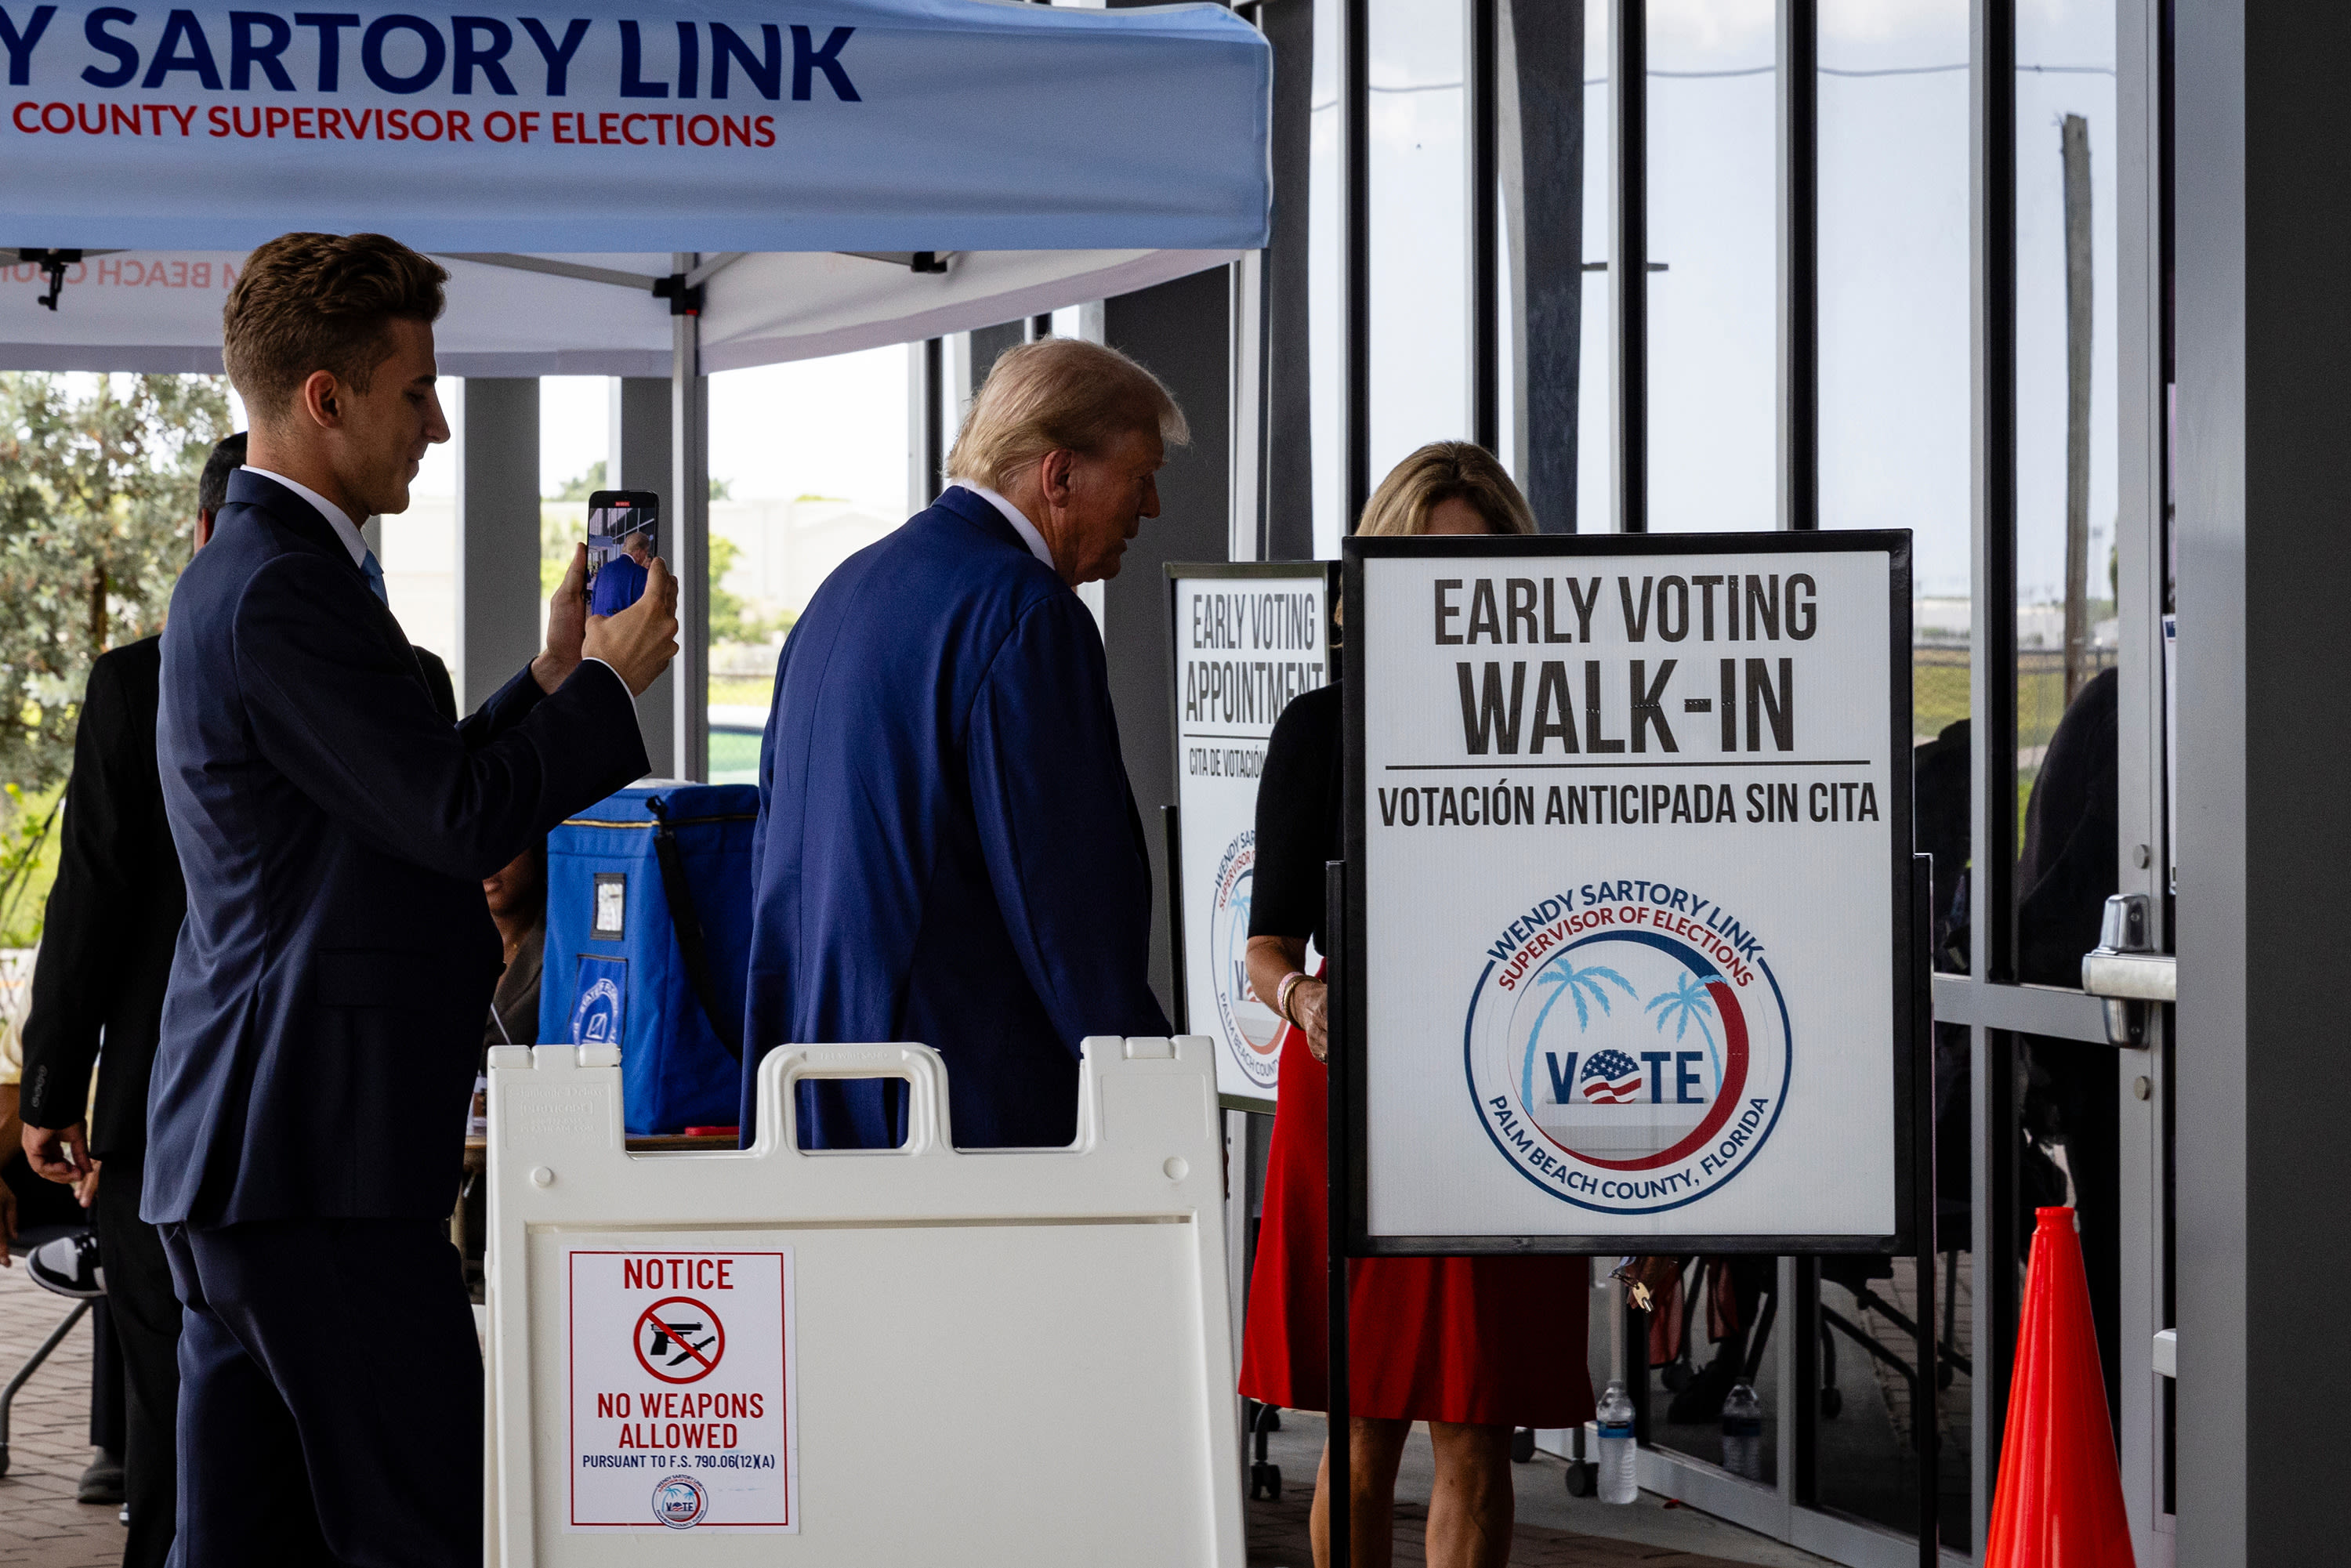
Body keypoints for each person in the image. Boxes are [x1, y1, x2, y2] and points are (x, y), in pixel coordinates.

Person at [145, 231, 677, 1567]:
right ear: (326, 397)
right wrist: (611, 694)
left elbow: (392, 786)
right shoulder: (284, 584)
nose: (438, 426)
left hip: (261, 1161)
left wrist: (553, 679)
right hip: (316, 1155)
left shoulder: (259, 575)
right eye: (416, 390)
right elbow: (451, 818)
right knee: (420, 1530)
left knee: (248, 1544)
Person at [16, 429, 465, 1564]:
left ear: (201, 531)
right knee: (328, 1468)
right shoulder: (398, 672)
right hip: (307, 1114)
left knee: (196, 1451)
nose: (435, 426)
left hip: (182, 1107)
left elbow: (95, 892)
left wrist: (54, 1082)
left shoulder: (140, 675)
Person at [1238, 443, 1594, 1568]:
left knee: (1480, 1431)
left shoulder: (1564, 731)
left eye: (1484, 565)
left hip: (1512, 1084)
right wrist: (1300, 1000)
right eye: (1432, 561)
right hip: (1358, 1090)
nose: (1459, 590)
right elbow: (1267, 947)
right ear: (1374, 575)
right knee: (1358, 1430)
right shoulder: (1319, 725)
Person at [741, 338, 1181, 1149]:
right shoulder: (1026, 615)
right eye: (1141, 475)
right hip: (962, 1126)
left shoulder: (843, 591)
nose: (1150, 507)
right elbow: (1066, 911)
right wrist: (1157, 1108)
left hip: (813, 1105)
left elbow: (777, 872)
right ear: (1059, 475)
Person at [589, 530, 652, 616]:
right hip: (623, 627)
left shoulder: (604, 569)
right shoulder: (641, 574)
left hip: (599, 626)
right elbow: (643, 611)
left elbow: (594, 602)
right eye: (646, 552)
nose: (645, 557)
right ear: (639, 552)